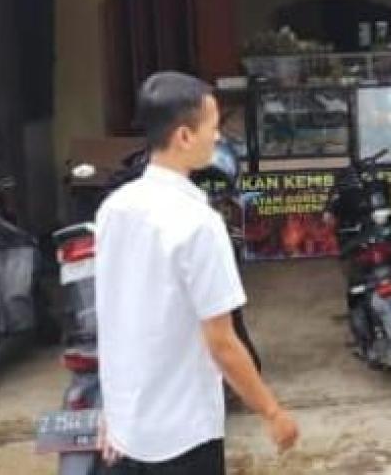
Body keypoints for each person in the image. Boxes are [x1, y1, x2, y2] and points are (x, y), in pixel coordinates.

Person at [96, 72, 298, 474]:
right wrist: (272, 412)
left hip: (126, 431)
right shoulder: (198, 223)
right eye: (213, 127)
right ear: (184, 137)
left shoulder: (113, 209)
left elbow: (112, 319)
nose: (218, 137)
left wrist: (112, 408)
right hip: (182, 434)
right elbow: (222, 342)